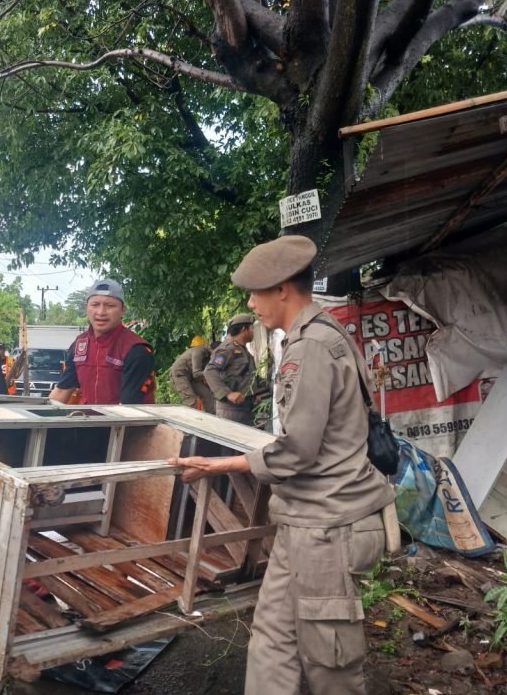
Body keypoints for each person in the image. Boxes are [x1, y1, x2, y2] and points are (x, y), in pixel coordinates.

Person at [168, 235, 396, 695]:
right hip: (301, 520)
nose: (251, 305)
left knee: (329, 662)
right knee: (272, 639)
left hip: (328, 527)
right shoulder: (313, 337)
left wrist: (218, 467)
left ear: (283, 290)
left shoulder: (311, 347)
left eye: (255, 293)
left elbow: (298, 450)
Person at [49, 279, 155, 405]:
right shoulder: (80, 345)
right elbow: (61, 391)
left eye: (110, 306)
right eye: (95, 305)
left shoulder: (137, 350)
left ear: (122, 310)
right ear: (86, 307)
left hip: (125, 421)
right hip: (87, 420)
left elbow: (128, 409)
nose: (101, 312)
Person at [204, 314, 257, 425]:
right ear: (244, 329)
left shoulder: (241, 350)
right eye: (252, 328)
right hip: (231, 410)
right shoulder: (228, 349)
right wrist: (228, 394)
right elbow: (209, 371)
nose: (254, 332)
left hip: (244, 408)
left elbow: (247, 376)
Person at [169, 336, 215, 414]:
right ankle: (190, 423)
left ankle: (210, 418)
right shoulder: (198, 350)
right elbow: (197, 373)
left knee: (207, 394)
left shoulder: (208, 355)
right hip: (180, 375)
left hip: (191, 376)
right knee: (191, 401)